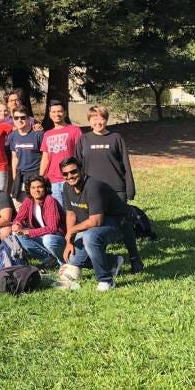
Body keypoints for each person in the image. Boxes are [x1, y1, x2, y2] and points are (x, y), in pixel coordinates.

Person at [75, 105, 142, 272]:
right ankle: (103, 259)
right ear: (89, 120)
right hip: (93, 191)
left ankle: (135, 259)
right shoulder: (84, 140)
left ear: (106, 120)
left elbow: (125, 164)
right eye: (94, 118)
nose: (98, 122)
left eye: (102, 118)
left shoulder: (116, 138)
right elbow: (78, 167)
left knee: (124, 223)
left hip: (116, 189)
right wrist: (79, 189)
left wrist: (129, 188)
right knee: (95, 225)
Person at [60, 157, 127, 291]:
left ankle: (106, 281)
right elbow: (71, 214)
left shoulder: (93, 186)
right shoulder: (67, 187)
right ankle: (113, 261)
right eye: (65, 174)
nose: (70, 176)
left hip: (118, 222)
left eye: (73, 172)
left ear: (81, 170)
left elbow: (96, 221)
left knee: (90, 237)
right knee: (74, 260)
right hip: (92, 224)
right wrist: (69, 241)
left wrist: (72, 231)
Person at [10, 175, 66, 266]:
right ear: (29, 189)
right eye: (33, 187)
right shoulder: (28, 200)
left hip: (57, 238)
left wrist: (28, 232)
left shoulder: (50, 200)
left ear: (45, 188)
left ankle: (63, 261)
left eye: (40, 187)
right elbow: (19, 218)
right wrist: (17, 225)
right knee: (18, 236)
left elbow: (52, 228)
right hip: (42, 236)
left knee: (48, 240)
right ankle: (49, 258)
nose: (36, 190)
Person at [39, 100, 83, 207]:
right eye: (54, 112)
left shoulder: (75, 130)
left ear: (65, 113)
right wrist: (40, 177)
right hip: (53, 181)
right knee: (58, 211)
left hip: (70, 178)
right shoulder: (47, 134)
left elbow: (81, 154)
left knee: (74, 210)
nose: (57, 114)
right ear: (50, 114)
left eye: (59, 111)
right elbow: (45, 158)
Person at [8, 106, 43, 201]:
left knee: (36, 204)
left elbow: (45, 157)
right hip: (20, 177)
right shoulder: (12, 136)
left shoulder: (38, 134)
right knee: (19, 205)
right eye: (16, 118)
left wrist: (41, 176)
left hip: (35, 175)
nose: (19, 120)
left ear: (28, 118)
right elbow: (14, 157)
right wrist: (14, 176)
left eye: (23, 117)